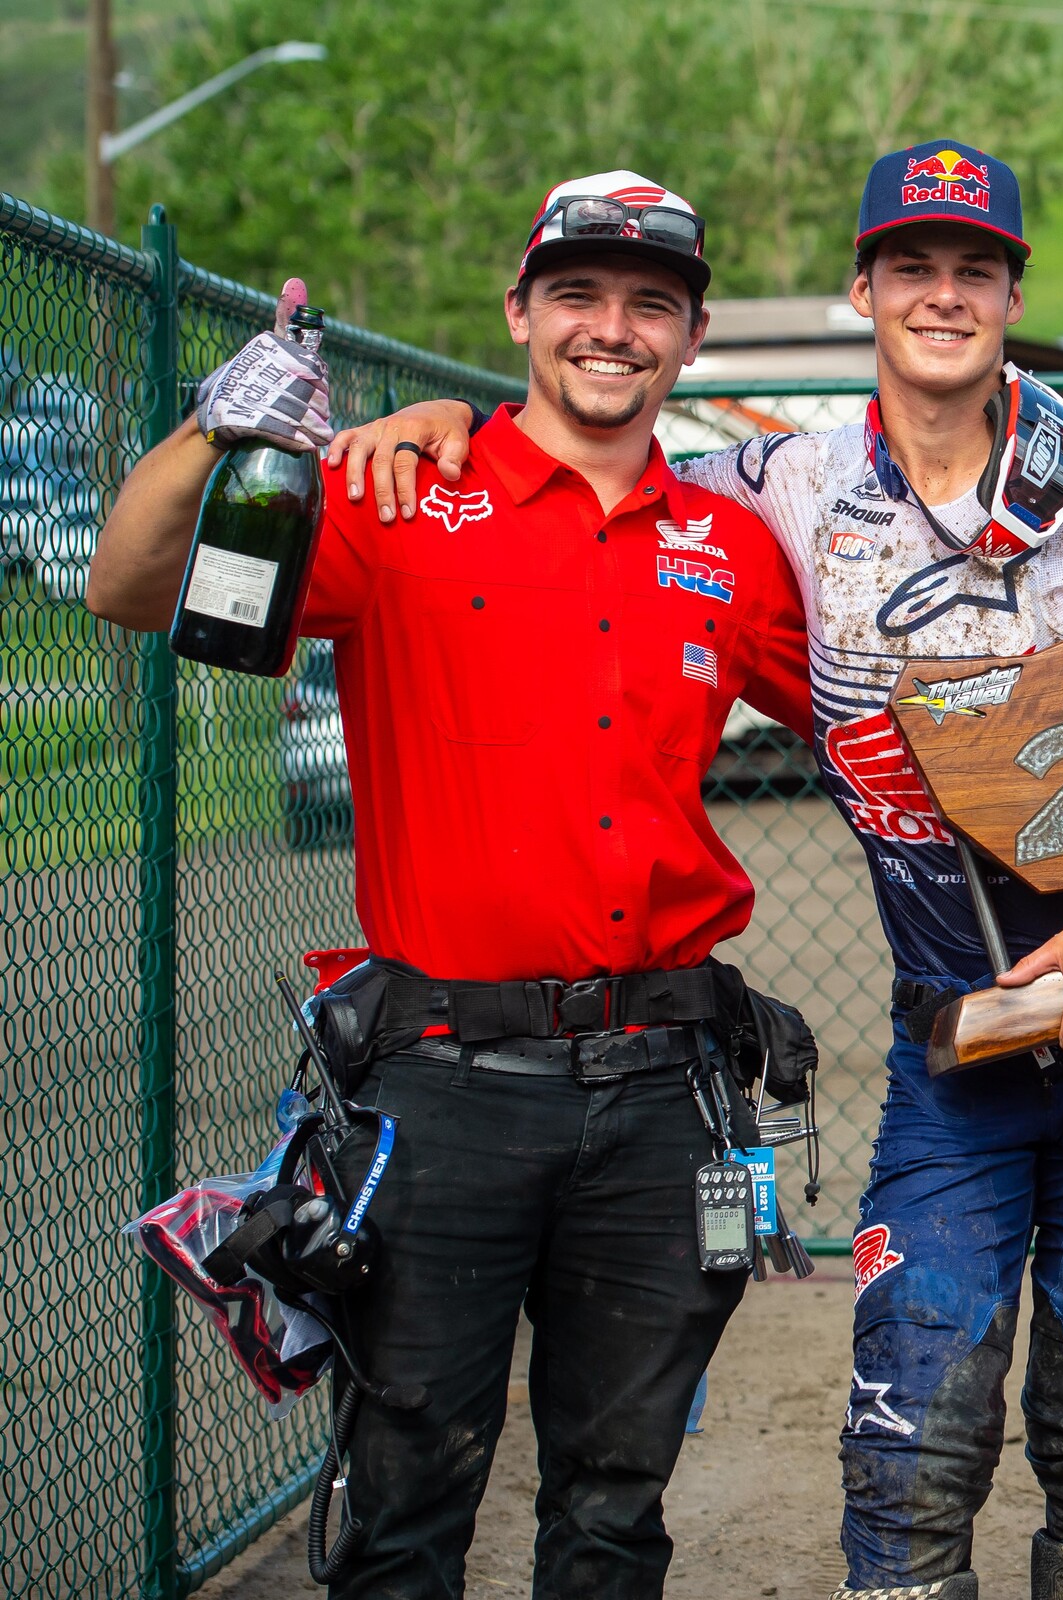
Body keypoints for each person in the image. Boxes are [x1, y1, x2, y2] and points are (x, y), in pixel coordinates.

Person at [328, 140, 1063, 1600]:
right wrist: (440, 422)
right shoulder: (768, 491)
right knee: (914, 1403)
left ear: (1013, 291)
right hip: (954, 1022)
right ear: (863, 289)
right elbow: (583, 460)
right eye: (911, 266)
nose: (942, 295)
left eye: (975, 269)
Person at [86, 172, 815, 1599]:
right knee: (410, 1497)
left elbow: (872, 736)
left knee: (619, 1496)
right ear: (520, 313)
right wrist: (222, 426)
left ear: (692, 334)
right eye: (579, 297)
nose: (612, 330)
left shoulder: (729, 548)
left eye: (650, 305)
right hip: (445, 1083)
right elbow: (124, 585)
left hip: (669, 1086)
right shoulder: (399, 497)